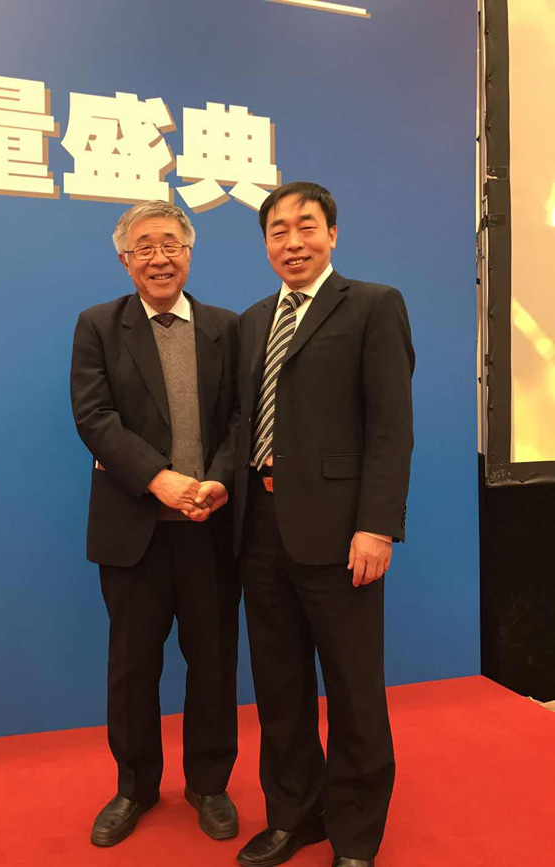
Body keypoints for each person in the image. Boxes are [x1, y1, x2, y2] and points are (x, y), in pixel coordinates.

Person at [204, 181, 414, 867]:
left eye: (306, 227)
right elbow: (242, 421)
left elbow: (391, 427)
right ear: (265, 243)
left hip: (341, 532)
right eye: (278, 231)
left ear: (332, 234)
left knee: (354, 690)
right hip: (259, 528)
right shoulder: (252, 320)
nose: (292, 242)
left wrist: (376, 525)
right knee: (279, 686)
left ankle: (355, 834)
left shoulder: (374, 305)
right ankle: (294, 815)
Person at [70, 201, 240, 848]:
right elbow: (94, 418)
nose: (159, 258)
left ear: (189, 254)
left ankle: (209, 783)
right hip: (134, 529)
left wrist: (218, 479)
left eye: (171, 244)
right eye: (144, 247)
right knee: (132, 667)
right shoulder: (98, 325)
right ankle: (135, 786)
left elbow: (241, 420)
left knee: (214, 663)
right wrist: (159, 478)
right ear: (125, 260)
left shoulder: (227, 328)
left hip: (210, 527)